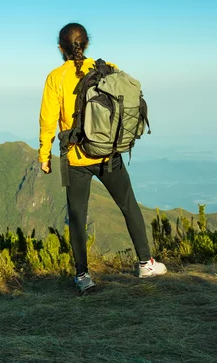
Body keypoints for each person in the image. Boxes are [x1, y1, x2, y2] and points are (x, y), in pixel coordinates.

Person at [38, 23, 167, 293]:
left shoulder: (55, 77)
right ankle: (145, 264)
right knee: (129, 205)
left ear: (61, 48)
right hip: (110, 153)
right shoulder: (107, 67)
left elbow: (47, 121)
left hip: (76, 158)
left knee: (77, 217)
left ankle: (83, 277)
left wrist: (44, 155)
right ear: (85, 44)